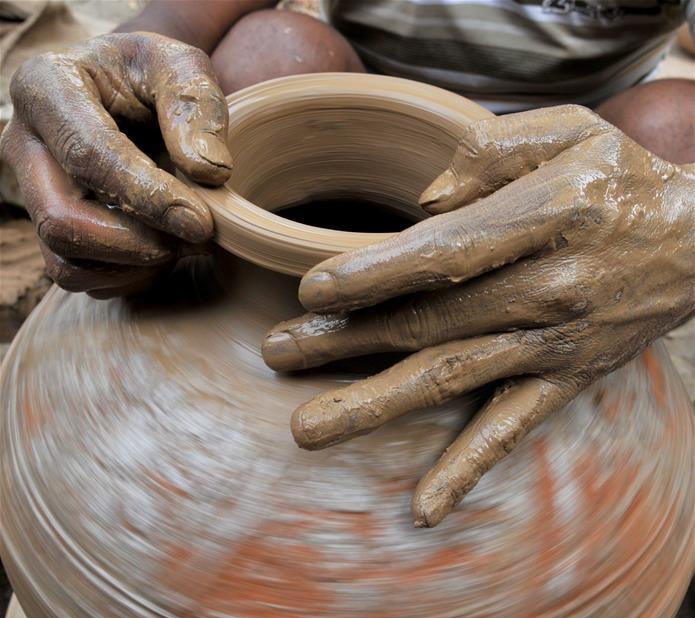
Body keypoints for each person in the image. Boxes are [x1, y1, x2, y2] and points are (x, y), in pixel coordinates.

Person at [1, 0, 693, 526]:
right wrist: (116, 75)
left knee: (676, 124)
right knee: (272, 46)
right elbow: (178, 23)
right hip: (353, 90)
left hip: (583, 157)